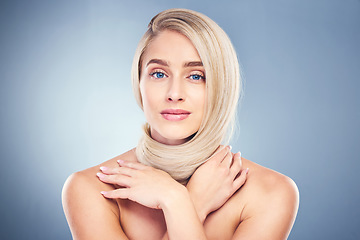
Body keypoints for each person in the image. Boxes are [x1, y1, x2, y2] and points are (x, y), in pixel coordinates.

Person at [62, 8, 299, 240]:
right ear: (139, 83)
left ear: (222, 86)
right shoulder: (90, 189)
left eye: (196, 76)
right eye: (158, 74)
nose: (175, 93)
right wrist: (186, 201)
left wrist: (176, 201)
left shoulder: (272, 192)